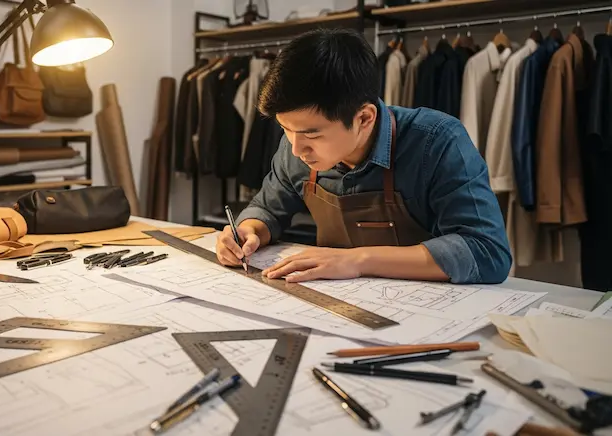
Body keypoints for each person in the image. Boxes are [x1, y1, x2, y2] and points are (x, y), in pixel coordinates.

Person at [215, 29, 512, 285]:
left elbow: (487, 252)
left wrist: (358, 261)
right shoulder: (298, 141)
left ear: (365, 118)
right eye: (285, 129)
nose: (296, 149)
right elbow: (267, 208)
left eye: (313, 135)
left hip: (423, 311)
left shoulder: (437, 142)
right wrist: (248, 231)